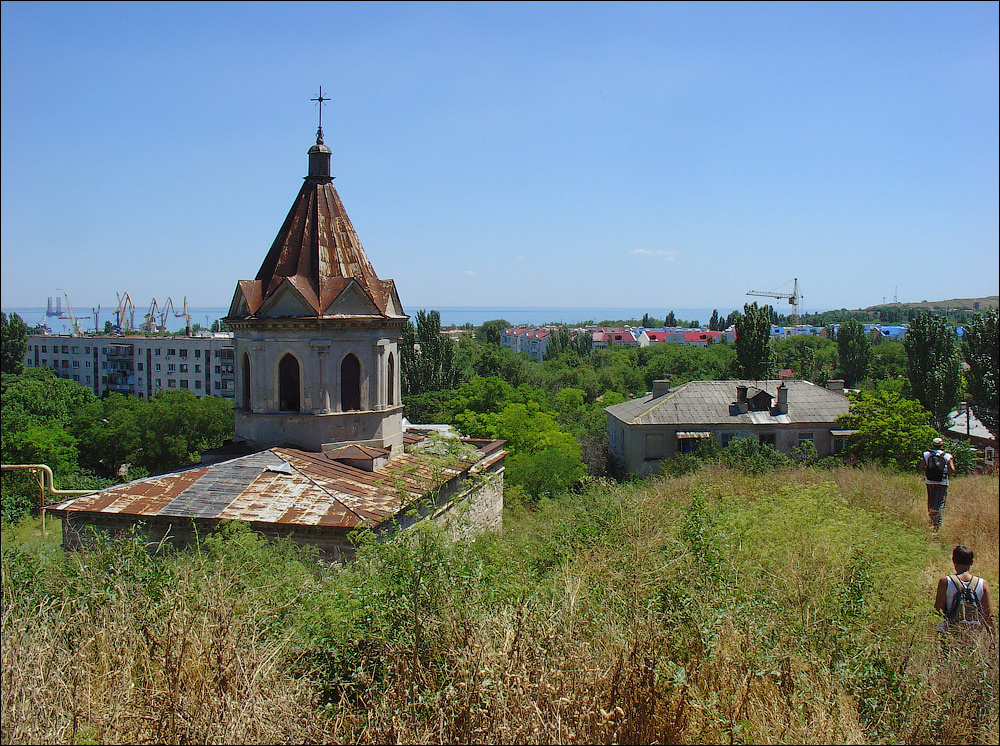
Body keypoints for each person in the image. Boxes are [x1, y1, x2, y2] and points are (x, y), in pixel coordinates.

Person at [934, 545, 995, 637]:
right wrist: (993, 638)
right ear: (971, 562)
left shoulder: (945, 582)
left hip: (951, 635)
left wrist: (940, 636)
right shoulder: (983, 584)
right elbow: (989, 616)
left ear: (953, 560)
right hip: (974, 635)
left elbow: (939, 611)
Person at [918, 437, 955, 530]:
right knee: (940, 503)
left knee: (931, 501)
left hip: (929, 481)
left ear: (933, 445)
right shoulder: (947, 456)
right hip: (942, 482)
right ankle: (937, 525)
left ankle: (932, 520)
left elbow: (921, 468)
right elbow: (952, 470)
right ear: (942, 445)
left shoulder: (926, 455)